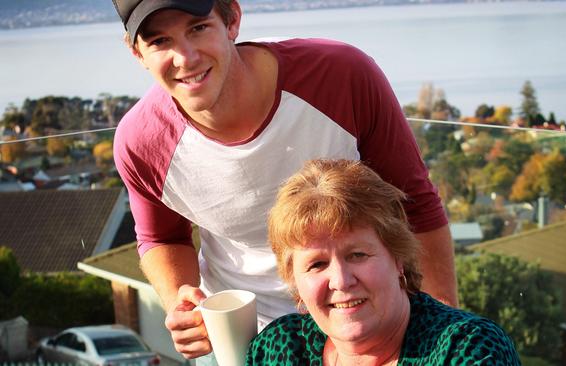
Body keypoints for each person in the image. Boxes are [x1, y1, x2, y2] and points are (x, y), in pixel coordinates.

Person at [110, 0, 457, 359]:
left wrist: (442, 328)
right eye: (159, 41)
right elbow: (161, 237)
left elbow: (414, 204)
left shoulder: (341, 76)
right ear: (136, 52)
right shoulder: (141, 141)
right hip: (244, 338)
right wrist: (180, 300)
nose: (185, 57)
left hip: (368, 318)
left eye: (198, 28)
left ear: (232, 19)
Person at [249, 159, 520, 365]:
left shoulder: (467, 349)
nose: (341, 280)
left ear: (398, 257)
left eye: (357, 255)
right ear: (294, 279)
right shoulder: (279, 349)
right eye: (317, 264)